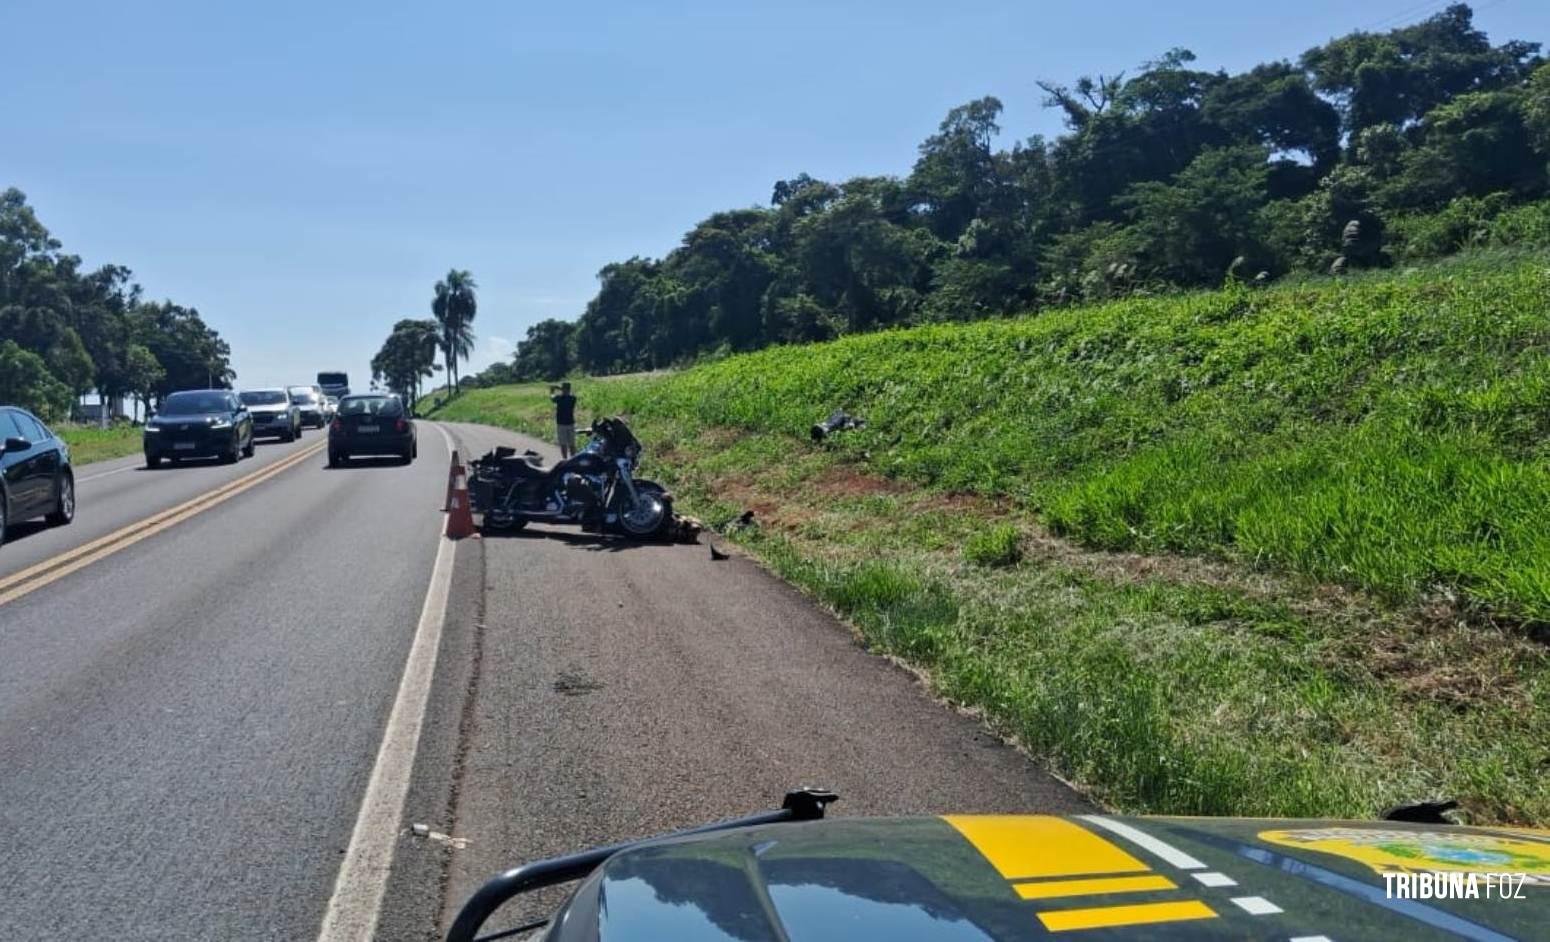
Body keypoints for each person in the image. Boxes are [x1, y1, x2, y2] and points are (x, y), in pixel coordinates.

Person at [550, 382, 578, 458]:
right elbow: (569, 394)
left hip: (561, 424)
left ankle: (565, 460)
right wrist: (561, 388)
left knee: (563, 444)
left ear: (563, 389)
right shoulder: (573, 398)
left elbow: (552, 397)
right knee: (572, 444)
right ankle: (573, 459)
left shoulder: (559, 398)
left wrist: (552, 390)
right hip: (570, 423)